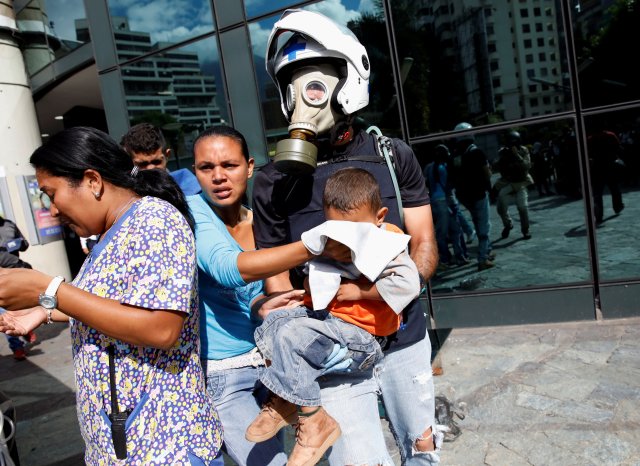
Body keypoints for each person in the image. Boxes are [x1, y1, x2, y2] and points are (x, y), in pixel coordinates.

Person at [253, 9, 442, 465]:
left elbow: (424, 242)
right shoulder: (272, 181)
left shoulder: (392, 156)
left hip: (404, 339)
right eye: (293, 84)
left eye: (315, 84)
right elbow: (277, 278)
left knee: (422, 451)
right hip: (330, 354)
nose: (305, 98)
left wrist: (386, 292)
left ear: (349, 82)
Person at [0, 126, 222, 464]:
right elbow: (105, 307)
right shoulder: (108, 235)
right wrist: (44, 309)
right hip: (124, 446)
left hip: (164, 446)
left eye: (51, 192)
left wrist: (47, 289)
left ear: (92, 180)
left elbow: (160, 329)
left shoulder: (154, 220)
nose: (52, 208)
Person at [187, 125, 351, 466]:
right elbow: (226, 268)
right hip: (223, 374)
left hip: (270, 366)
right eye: (207, 168)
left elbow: (249, 295)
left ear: (248, 167)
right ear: (195, 172)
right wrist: (313, 246)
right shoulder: (192, 212)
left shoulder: (258, 219)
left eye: (229, 165)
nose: (218, 176)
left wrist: (262, 304)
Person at [247, 167, 421, 465]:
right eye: (335, 228)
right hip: (331, 325)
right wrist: (305, 289)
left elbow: (409, 283)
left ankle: (313, 420)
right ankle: (288, 400)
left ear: (379, 217)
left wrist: (360, 293)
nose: (343, 238)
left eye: (352, 230)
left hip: (362, 338)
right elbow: (321, 281)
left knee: (293, 336)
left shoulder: (386, 241)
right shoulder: (332, 241)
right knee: (274, 323)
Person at [450, 122, 495, 271]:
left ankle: (486, 251)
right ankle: (482, 258)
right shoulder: (476, 152)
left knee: (477, 221)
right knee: (484, 226)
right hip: (479, 194)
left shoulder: (455, 154)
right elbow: (486, 173)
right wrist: (491, 190)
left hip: (463, 196)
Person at [120, 122, 201, 195]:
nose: (150, 168)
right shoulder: (125, 191)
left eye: (156, 162)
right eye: (142, 164)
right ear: (130, 161)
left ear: (167, 155)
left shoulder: (189, 187)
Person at [424, 145, 469, 268]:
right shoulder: (444, 167)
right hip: (445, 202)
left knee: (445, 232)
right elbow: (449, 187)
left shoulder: (429, 167)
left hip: (435, 202)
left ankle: (449, 258)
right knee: (452, 231)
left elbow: (426, 185)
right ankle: (449, 258)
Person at [0, 216, 36, 359]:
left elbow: (25, 244)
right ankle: (17, 347)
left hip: (15, 272)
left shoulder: (9, 225)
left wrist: (19, 244)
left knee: (19, 306)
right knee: (3, 311)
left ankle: (24, 328)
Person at [492, 130, 534, 240]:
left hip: (521, 183)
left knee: (522, 207)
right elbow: (496, 167)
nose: (512, 146)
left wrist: (517, 155)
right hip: (507, 183)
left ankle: (525, 229)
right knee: (501, 208)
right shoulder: (503, 152)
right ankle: (508, 225)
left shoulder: (524, 150)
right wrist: (501, 158)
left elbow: (527, 166)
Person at [587, 123, 625, 223]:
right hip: (610, 165)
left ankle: (599, 215)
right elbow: (619, 148)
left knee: (598, 193)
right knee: (614, 188)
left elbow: (588, 153)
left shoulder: (590, 139)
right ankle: (617, 206)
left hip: (597, 167)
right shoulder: (610, 135)